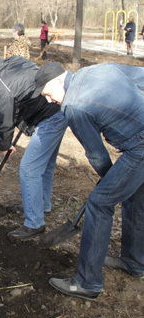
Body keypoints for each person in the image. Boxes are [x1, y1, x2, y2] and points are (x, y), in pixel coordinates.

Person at [34, 62, 144, 300]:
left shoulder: (74, 106)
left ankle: (87, 282)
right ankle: (134, 262)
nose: (50, 101)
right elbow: (140, 75)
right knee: (133, 198)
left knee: (99, 203)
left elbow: (96, 154)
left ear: (56, 82)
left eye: (47, 94)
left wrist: (108, 179)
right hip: (139, 139)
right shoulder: (94, 69)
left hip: (140, 147)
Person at [0, 50, 67, 240]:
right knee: (44, 165)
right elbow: (27, 88)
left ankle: (34, 223)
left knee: (29, 169)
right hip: (57, 110)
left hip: (49, 117)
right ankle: (41, 204)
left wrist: (4, 145)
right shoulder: (14, 60)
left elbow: (4, 118)